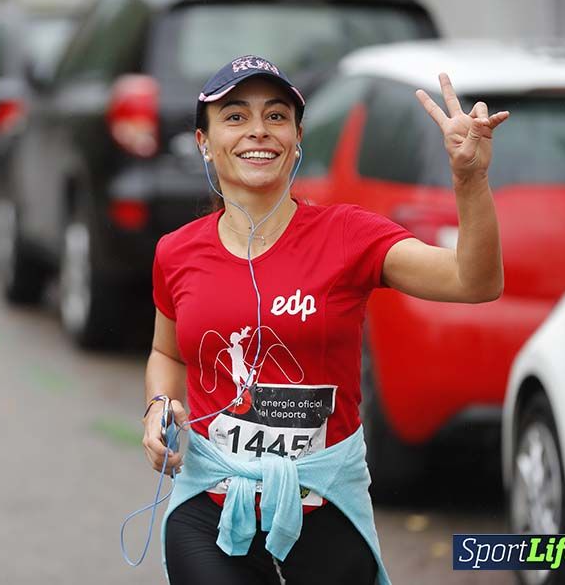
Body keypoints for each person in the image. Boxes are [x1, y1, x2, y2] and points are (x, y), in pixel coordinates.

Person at [142, 55, 507, 584]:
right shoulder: (176, 253)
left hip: (326, 506)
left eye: (276, 116)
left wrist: (469, 179)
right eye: (236, 116)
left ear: (296, 138)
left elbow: (474, 282)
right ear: (204, 141)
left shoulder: (347, 236)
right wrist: (159, 406)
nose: (258, 132)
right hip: (210, 508)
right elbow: (167, 353)